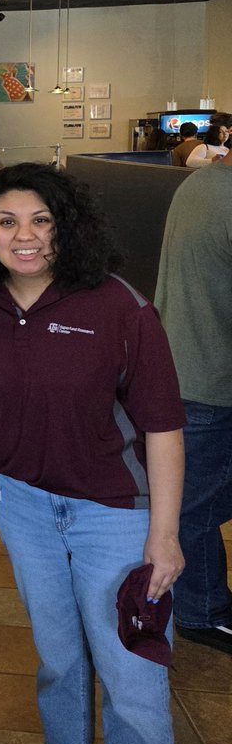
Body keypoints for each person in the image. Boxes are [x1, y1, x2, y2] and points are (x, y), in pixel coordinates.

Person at [0, 163, 185, 744]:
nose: (24, 235)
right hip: (25, 508)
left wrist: (163, 536)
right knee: (58, 661)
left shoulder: (119, 305)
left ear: (68, 229)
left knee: (132, 674)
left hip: (114, 517)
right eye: (8, 221)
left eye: (42, 221)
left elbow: (164, 427)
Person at [156, 151, 232, 654]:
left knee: (194, 503)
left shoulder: (203, 184)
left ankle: (202, 605)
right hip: (210, 378)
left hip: (186, 368)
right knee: (193, 509)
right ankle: (201, 611)